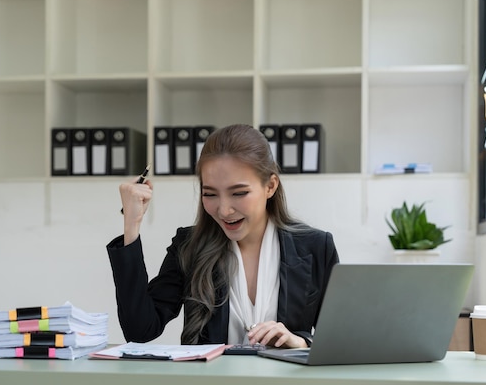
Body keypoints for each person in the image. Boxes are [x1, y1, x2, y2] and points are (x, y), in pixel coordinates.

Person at [106, 124, 339, 348]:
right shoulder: (190, 246)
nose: (224, 210)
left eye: (239, 193)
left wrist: (300, 342)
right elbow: (140, 330)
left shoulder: (316, 247)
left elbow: (340, 340)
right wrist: (132, 225)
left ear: (270, 186)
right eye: (210, 194)